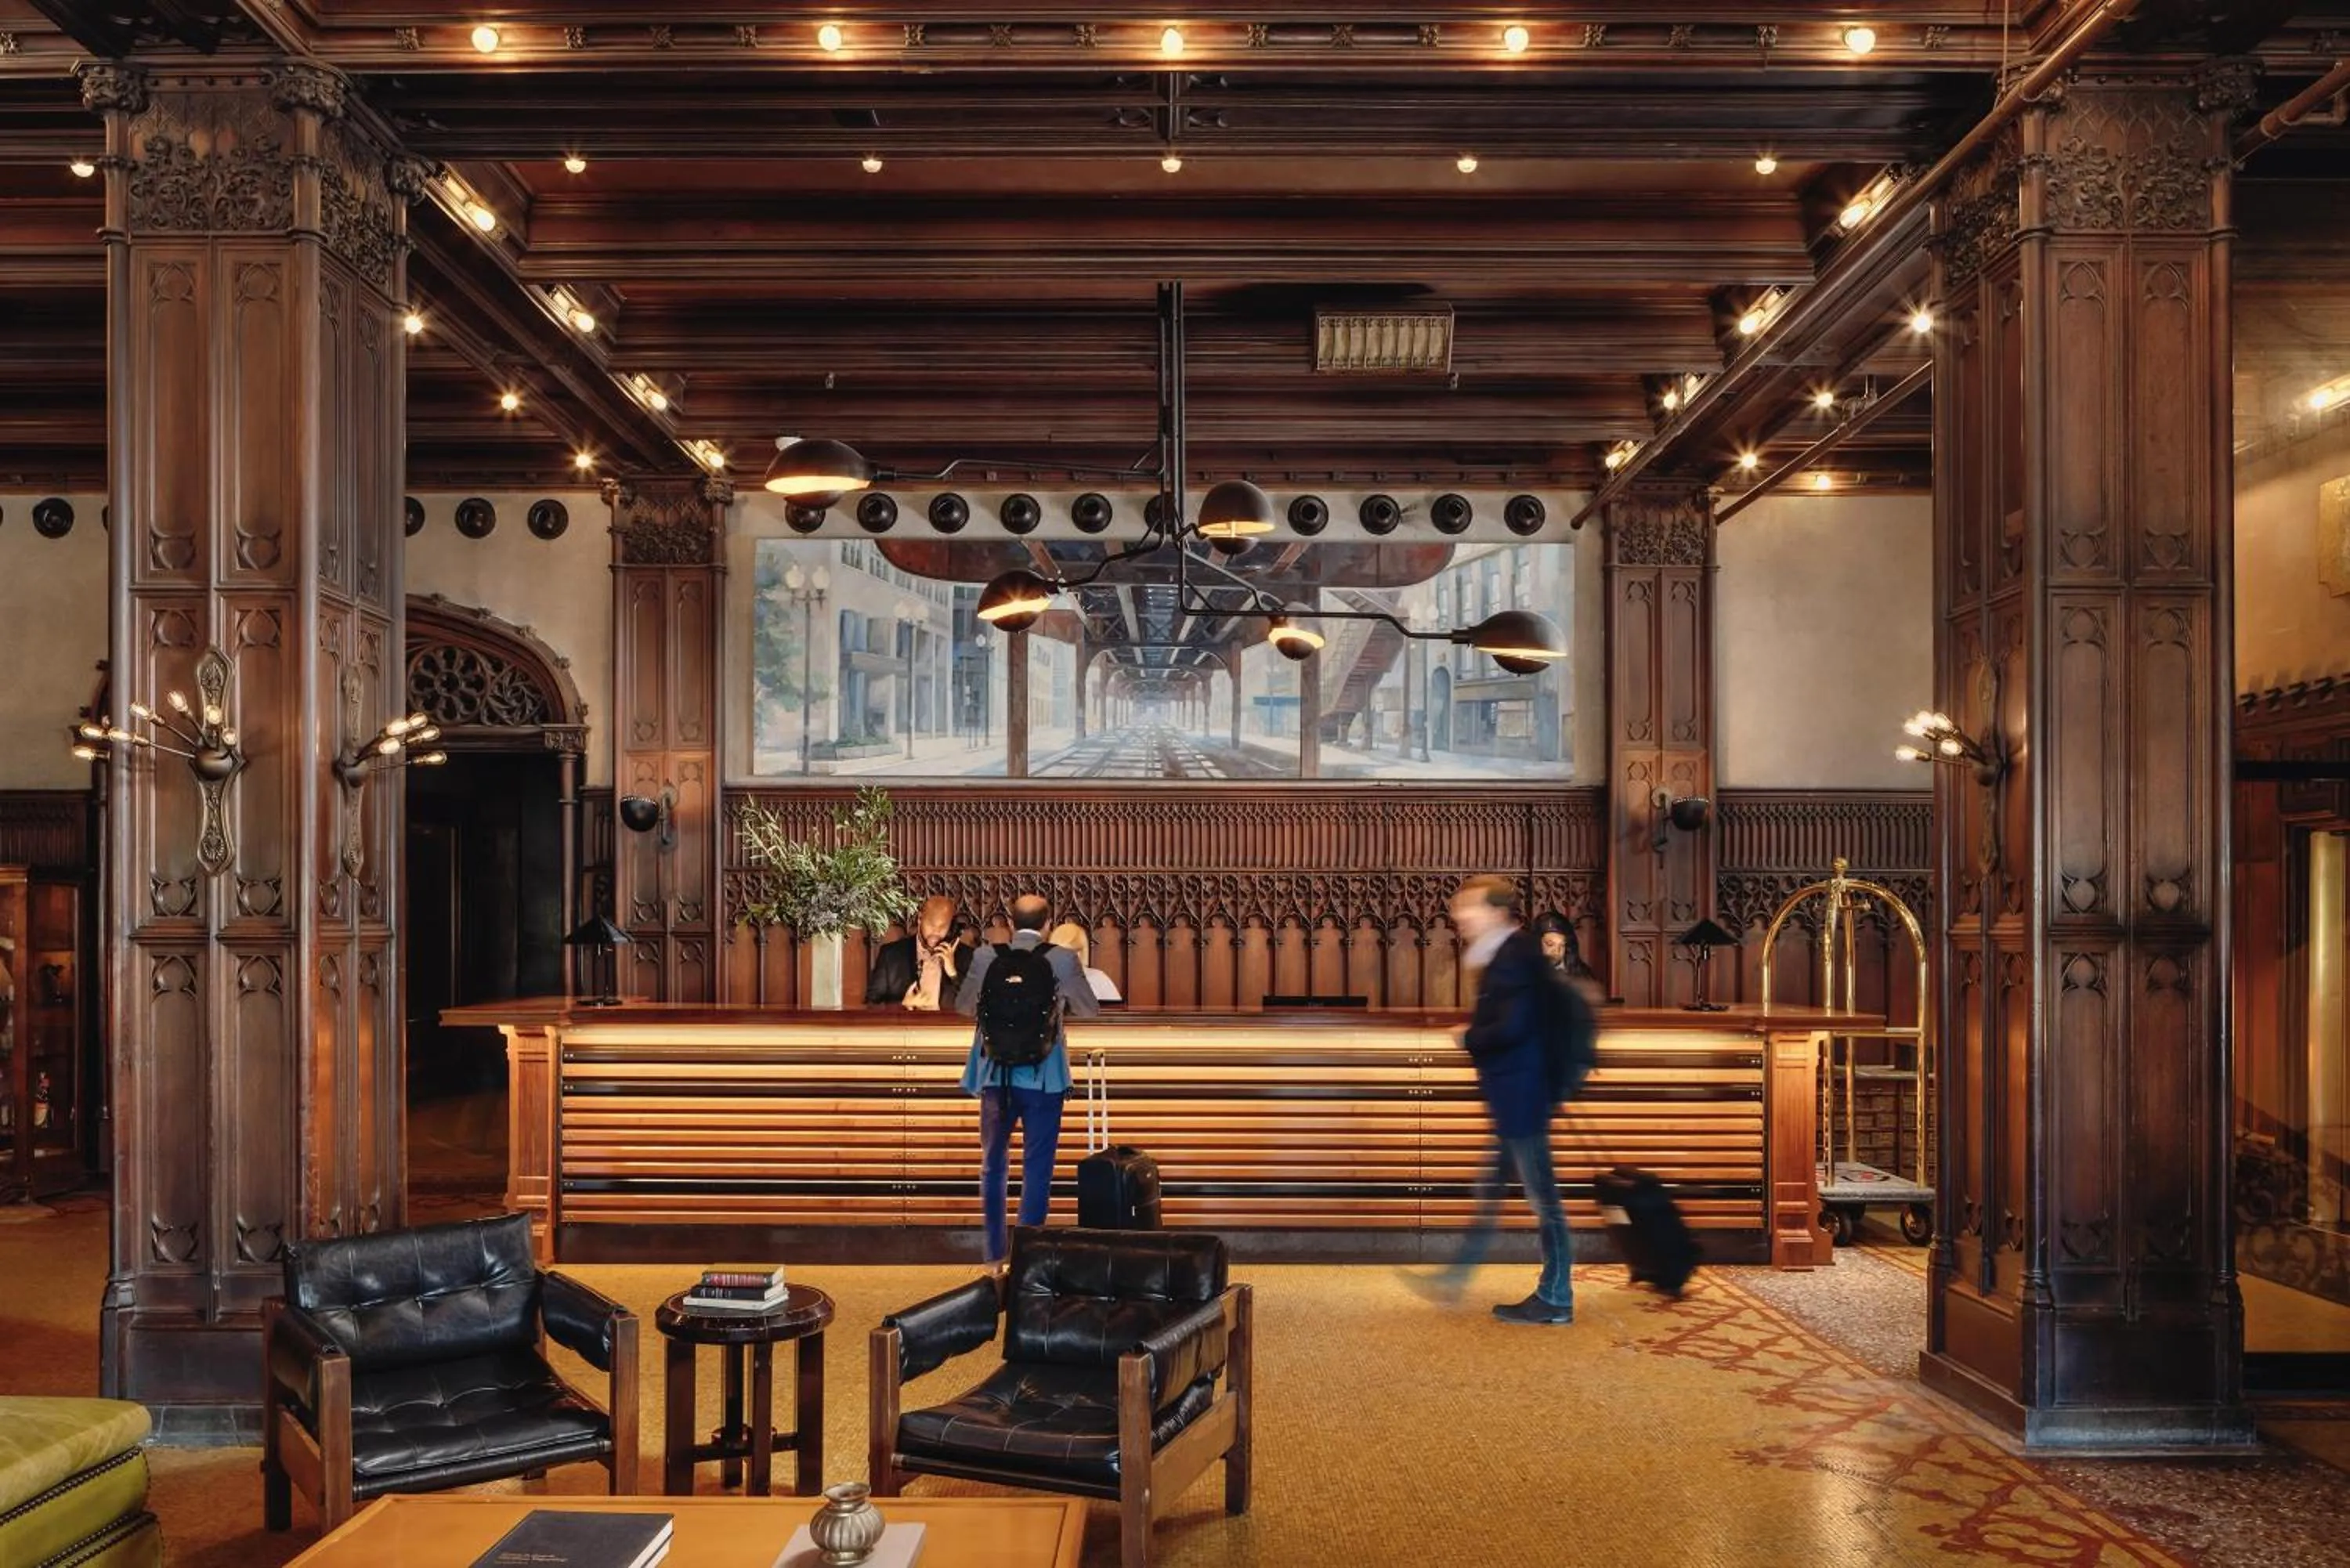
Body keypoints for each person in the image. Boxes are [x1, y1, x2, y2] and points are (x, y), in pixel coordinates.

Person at [1409, 874, 1583, 1324]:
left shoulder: (1513, 955)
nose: (1459, 918)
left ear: (1495, 911)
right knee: (1492, 1189)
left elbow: (1514, 1027)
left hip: (1524, 1094)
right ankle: (1457, 1276)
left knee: (1543, 1199)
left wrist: (1467, 1036)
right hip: (1518, 1093)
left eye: (1468, 908)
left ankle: (1557, 1296)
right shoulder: (1508, 953)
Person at [956, 893, 1101, 1262]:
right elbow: (1090, 1009)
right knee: (1037, 1168)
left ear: (1010, 921)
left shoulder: (986, 955)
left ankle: (993, 1256)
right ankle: (1025, 1259)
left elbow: (962, 1007)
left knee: (993, 1164)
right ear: (1048, 924)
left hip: (994, 1075)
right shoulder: (1063, 959)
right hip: (1044, 1078)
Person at [865, 894, 974, 1010]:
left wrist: (953, 974)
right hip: (905, 1027)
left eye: (942, 927)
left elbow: (979, 1005)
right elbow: (872, 1005)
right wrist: (903, 1004)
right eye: (931, 925)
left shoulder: (968, 956)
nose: (936, 932)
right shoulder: (891, 955)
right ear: (920, 919)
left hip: (950, 1027)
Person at [1047, 920, 1123, 1003]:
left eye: (1074, 951)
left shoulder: (1098, 979)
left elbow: (1114, 1012)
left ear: (1083, 952)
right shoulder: (1039, 980)